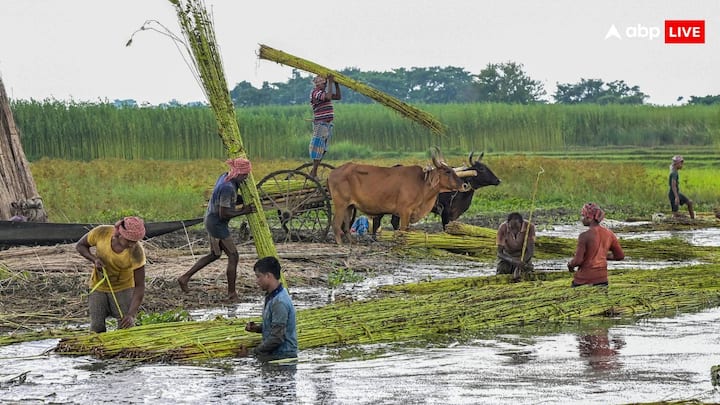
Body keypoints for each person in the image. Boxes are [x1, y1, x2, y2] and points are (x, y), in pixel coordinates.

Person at [178, 158, 256, 301]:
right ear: (238, 172)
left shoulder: (225, 176)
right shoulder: (228, 187)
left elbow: (225, 201)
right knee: (233, 256)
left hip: (211, 219)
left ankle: (184, 278)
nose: (246, 177)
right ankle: (232, 294)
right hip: (217, 223)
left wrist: (240, 200)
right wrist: (244, 210)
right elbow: (224, 213)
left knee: (215, 255)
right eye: (245, 175)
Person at [76, 216, 147, 333]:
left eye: (135, 242)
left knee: (126, 328)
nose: (131, 245)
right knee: (97, 327)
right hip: (99, 286)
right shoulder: (101, 232)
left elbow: (140, 286)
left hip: (123, 288)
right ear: (119, 233)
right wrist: (94, 259)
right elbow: (80, 246)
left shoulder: (137, 252)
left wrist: (131, 314)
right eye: (129, 241)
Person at [243, 256, 298, 361]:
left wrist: (251, 353)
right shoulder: (272, 296)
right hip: (276, 355)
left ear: (268, 276)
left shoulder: (279, 302)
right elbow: (275, 327)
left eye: (258, 276)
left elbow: (277, 337)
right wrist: (257, 328)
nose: (257, 281)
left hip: (283, 357)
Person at [567, 203, 625, 287]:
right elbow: (620, 256)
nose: (581, 219)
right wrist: (602, 255)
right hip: (602, 279)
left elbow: (578, 261)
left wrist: (570, 265)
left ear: (590, 218)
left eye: (583, 215)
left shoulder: (584, 236)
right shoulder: (609, 234)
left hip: (583, 280)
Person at [308, 74, 341, 179]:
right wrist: (331, 82)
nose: (326, 85)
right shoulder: (316, 93)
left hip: (327, 124)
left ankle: (313, 171)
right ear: (318, 84)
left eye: (326, 83)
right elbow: (328, 96)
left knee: (324, 149)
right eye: (324, 83)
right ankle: (314, 173)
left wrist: (336, 84)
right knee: (318, 148)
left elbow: (338, 97)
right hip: (321, 124)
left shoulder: (324, 93)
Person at [496, 212, 535, 281]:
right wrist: (512, 260)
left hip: (523, 257)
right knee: (502, 269)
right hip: (508, 256)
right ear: (508, 224)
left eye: (517, 228)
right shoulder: (503, 228)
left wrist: (520, 264)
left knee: (527, 271)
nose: (514, 230)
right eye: (512, 228)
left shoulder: (529, 227)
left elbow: (530, 251)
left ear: (521, 224)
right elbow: (499, 253)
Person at [668, 155, 694, 219]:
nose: (682, 165)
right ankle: (685, 219)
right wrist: (676, 197)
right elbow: (673, 185)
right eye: (681, 163)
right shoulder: (674, 173)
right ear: (676, 163)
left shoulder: (674, 170)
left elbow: (671, 166)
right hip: (673, 194)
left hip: (676, 193)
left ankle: (693, 219)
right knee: (675, 214)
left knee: (689, 202)